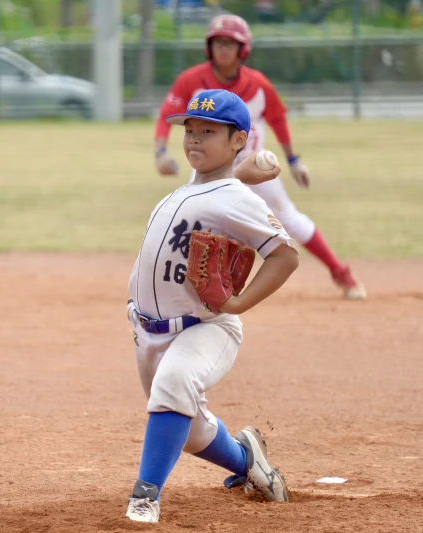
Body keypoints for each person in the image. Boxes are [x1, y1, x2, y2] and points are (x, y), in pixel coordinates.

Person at [125, 89, 297, 523]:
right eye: (190, 130)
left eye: (209, 131)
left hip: (205, 327)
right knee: (188, 426)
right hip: (148, 332)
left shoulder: (239, 199)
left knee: (174, 385)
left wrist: (238, 303)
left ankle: (145, 496)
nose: (194, 139)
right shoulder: (188, 192)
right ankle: (248, 461)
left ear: (239, 140)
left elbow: (285, 255)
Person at [154, 14, 366, 300]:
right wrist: (160, 152)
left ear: (243, 49)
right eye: (218, 42)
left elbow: (278, 121)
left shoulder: (259, 85)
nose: (224, 48)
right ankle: (179, 286)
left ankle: (342, 274)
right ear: (209, 46)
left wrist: (293, 161)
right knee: (192, 224)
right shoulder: (192, 81)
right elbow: (166, 117)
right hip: (210, 169)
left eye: (231, 43)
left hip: (255, 169)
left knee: (290, 220)